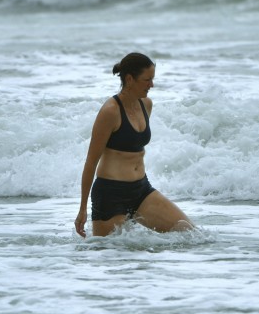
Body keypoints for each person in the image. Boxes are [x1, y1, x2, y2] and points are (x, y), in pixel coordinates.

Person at [74, 52, 194, 237]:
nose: (152, 85)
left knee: (187, 232)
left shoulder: (146, 105)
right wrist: (82, 209)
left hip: (141, 190)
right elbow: (91, 162)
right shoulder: (110, 112)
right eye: (147, 80)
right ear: (130, 79)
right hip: (110, 195)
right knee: (110, 254)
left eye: (152, 79)